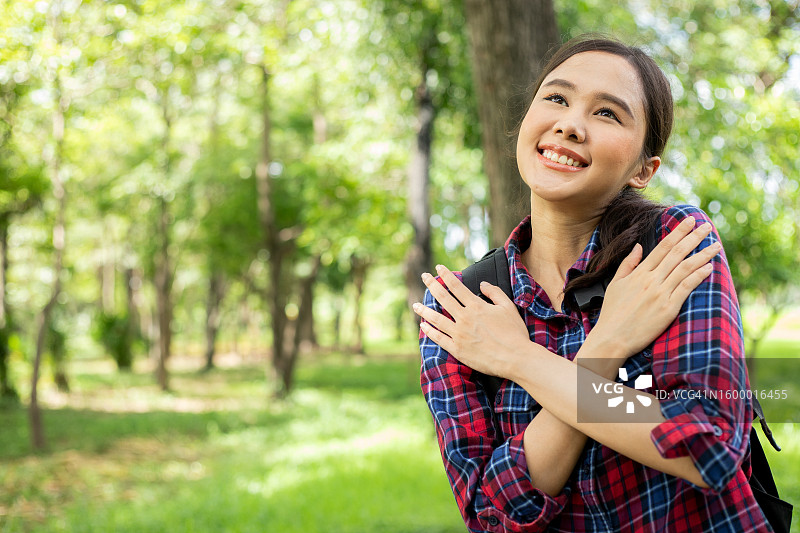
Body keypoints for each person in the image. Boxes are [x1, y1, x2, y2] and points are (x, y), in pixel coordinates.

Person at [412, 37, 771, 532]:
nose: (570, 124)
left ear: (644, 170)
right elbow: (491, 517)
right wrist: (606, 349)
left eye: (607, 114)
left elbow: (705, 445)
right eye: (556, 98)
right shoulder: (463, 308)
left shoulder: (672, 245)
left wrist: (519, 359)